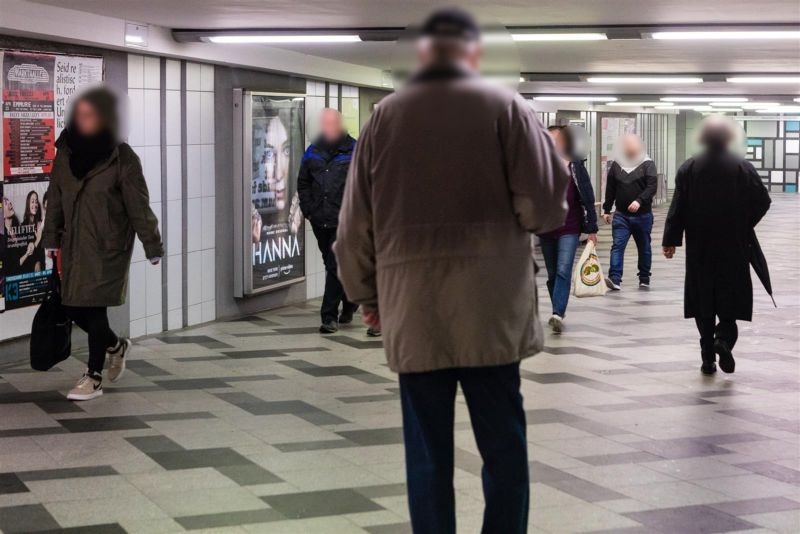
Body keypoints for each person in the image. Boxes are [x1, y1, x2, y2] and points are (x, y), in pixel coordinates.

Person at [334, 9, 569, 533]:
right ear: (473, 53)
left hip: (414, 312)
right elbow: (544, 208)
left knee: (427, 455)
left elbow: (353, 226)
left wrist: (366, 295)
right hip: (491, 313)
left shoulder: (383, 118)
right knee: (504, 449)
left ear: (423, 55)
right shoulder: (506, 108)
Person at [42, 87, 163, 401]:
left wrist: (152, 244)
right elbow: (54, 200)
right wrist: (51, 242)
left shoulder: (122, 157)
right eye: (80, 115)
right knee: (71, 305)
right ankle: (116, 345)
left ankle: (92, 376)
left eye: (91, 115)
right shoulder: (66, 153)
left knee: (94, 309)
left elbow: (138, 205)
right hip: (73, 247)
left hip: (108, 247)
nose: (84, 120)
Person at [663, 116, 770, 375]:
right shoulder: (742, 167)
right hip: (733, 246)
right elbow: (763, 201)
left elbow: (678, 208)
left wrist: (670, 240)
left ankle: (707, 358)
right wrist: (744, 223)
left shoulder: (689, 168)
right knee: (729, 299)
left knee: (703, 301)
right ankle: (723, 339)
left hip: (700, 248)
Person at [297, 108, 365, 335]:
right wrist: (308, 210)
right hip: (320, 220)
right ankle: (349, 301)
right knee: (332, 264)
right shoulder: (312, 151)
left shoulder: (355, 150)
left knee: (335, 265)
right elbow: (303, 182)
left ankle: (328, 317)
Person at [537, 125, 598, 333]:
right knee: (553, 273)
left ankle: (557, 312)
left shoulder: (576, 166)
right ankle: (557, 306)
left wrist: (592, 228)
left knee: (564, 269)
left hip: (569, 227)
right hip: (546, 228)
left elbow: (587, 196)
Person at [602, 134, 658, 290]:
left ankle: (644, 277)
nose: (628, 147)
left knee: (644, 247)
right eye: (626, 144)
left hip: (643, 215)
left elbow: (652, 187)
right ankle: (615, 278)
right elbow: (610, 188)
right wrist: (607, 209)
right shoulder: (617, 164)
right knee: (617, 246)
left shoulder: (647, 163)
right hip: (621, 215)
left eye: (632, 144)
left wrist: (639, 201)